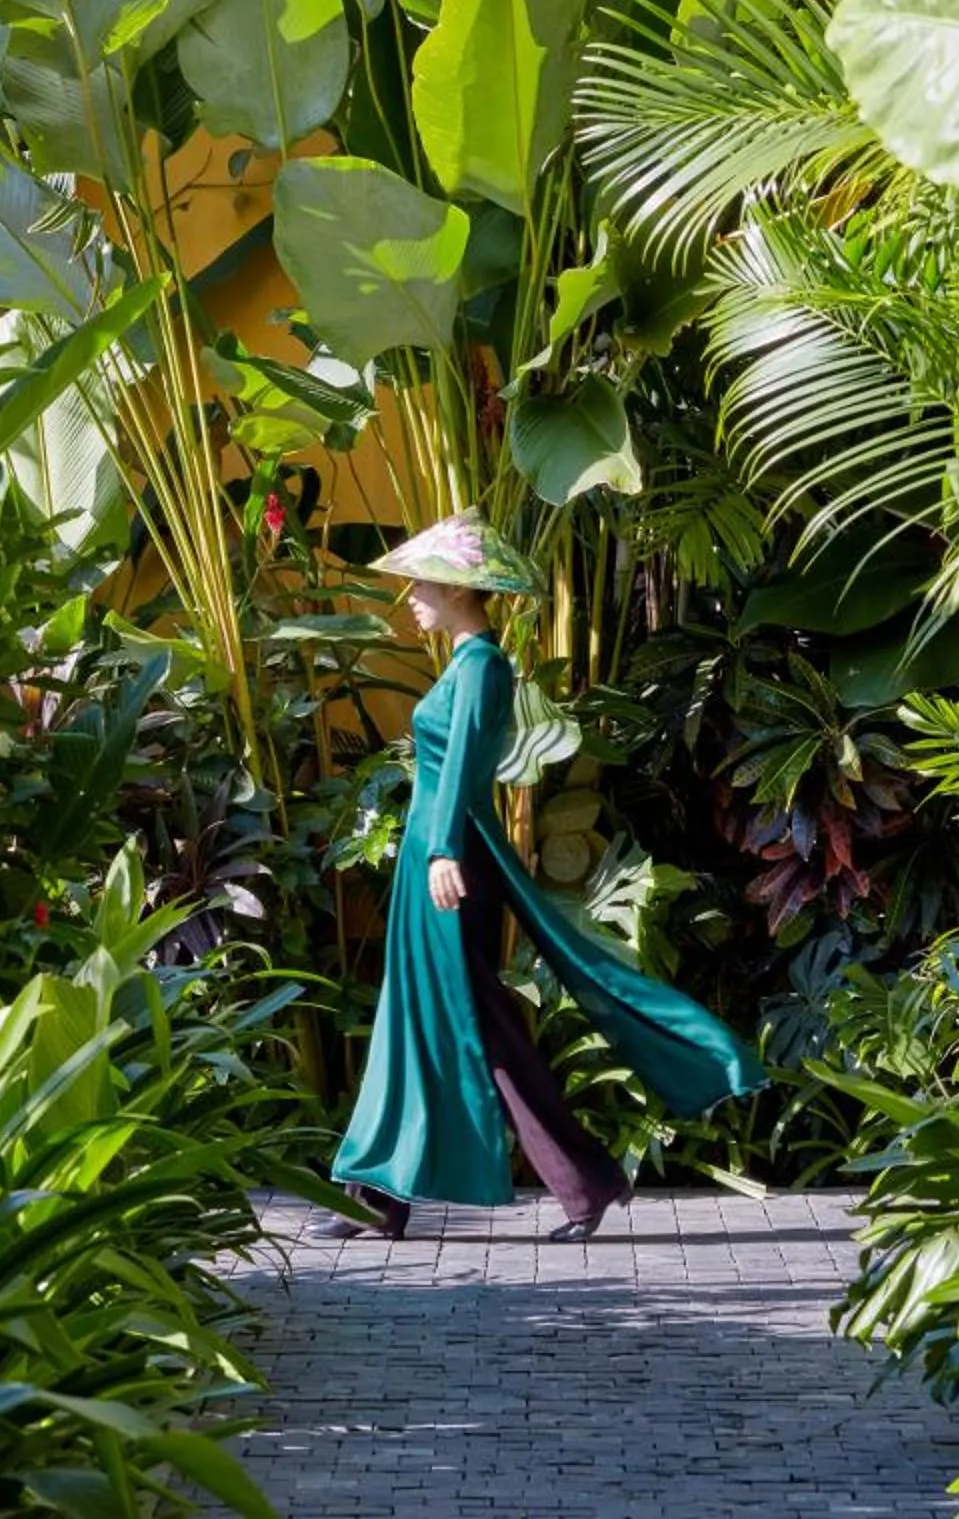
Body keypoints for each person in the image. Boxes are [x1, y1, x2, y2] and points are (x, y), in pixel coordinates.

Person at [314, 509, 764, 1243]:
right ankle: (391, 1194)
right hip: (438, 862)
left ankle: (562, 1184)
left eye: (422, 586)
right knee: (427, 1022)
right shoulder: (464, 664)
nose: (412, 600)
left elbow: (461, 764)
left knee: (478, 1028)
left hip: (449, 866)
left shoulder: (483, 666)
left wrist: (441, 854)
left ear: (460, 590)